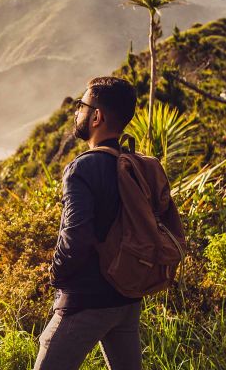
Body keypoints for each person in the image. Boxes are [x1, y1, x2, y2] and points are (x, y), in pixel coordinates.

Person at [33, 76, 142, 370]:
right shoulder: (133, 164)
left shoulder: (83, 167)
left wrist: (56, 274)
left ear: (97, 116)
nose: (77, 112)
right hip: (127, 298)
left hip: (86, 299)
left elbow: (75, 236)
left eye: (82, 105)